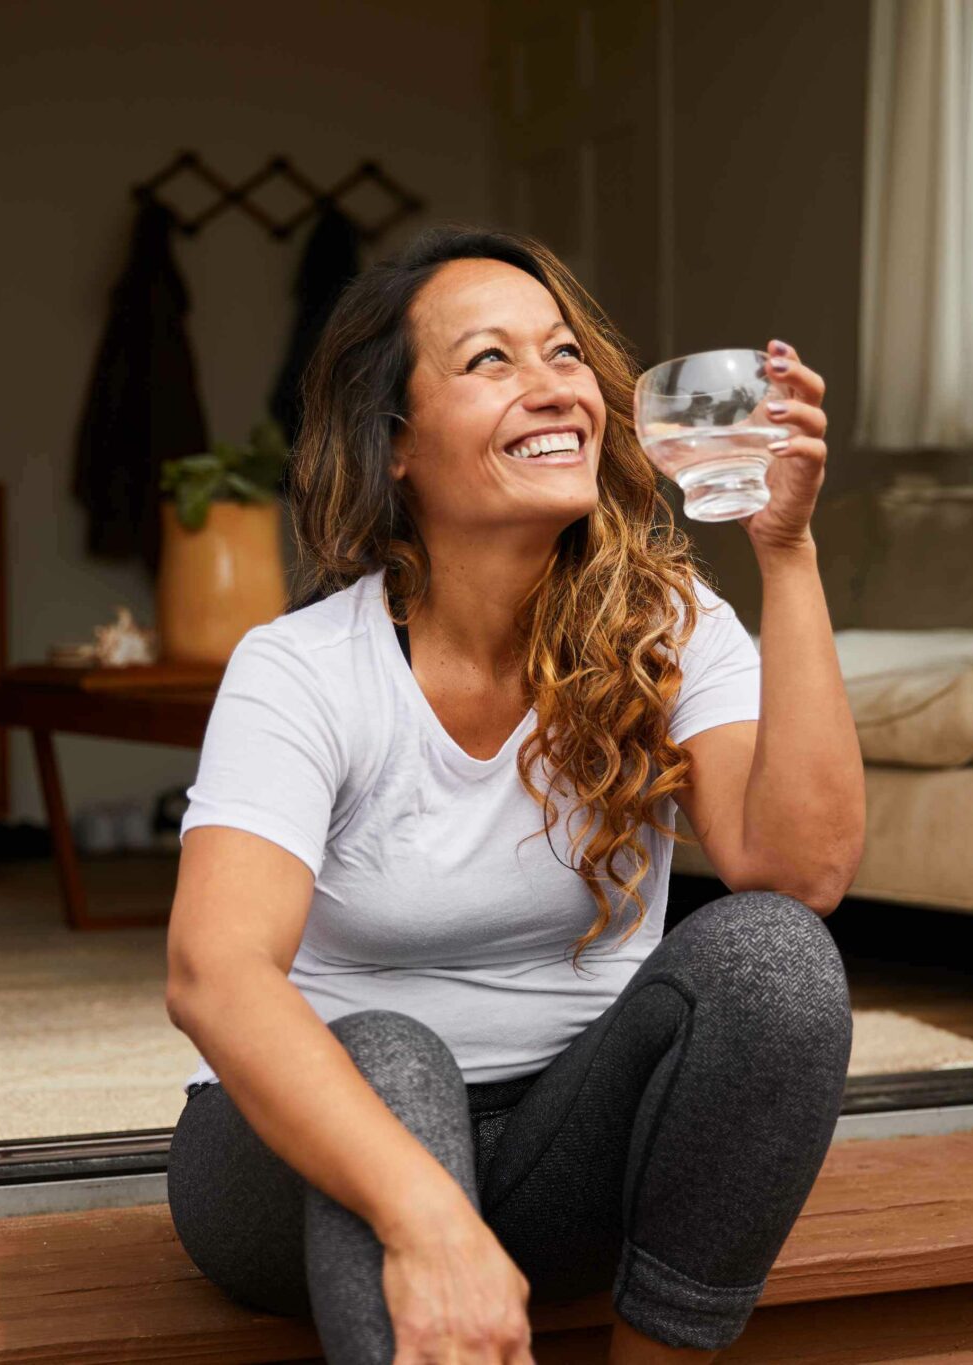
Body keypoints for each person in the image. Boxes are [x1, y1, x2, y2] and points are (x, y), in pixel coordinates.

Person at [163, 223, 865, 1364]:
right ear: (392, 442)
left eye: (561, 355)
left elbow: (799, 873)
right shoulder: (301, 669)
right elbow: (212, 974)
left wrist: (783, 552)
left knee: (772, 957)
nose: (551, 390)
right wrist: (423, 1214)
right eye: (489, 361)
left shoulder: (669, 629)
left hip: (558, 1151)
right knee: (386, 1053)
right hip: (300, 1172)